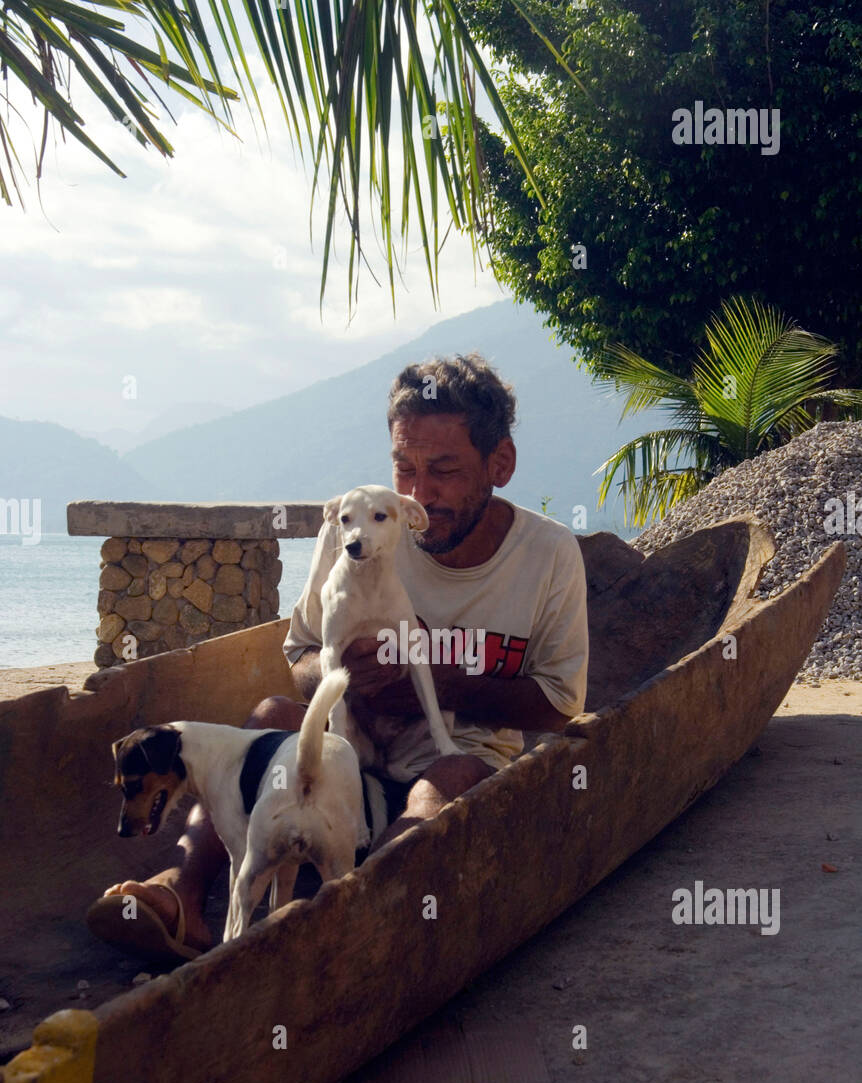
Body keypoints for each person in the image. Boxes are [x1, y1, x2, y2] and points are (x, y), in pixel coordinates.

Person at [87, 352, 589, 961]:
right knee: (270, 716)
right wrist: (345, 678)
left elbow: (561, 706)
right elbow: (301, 657)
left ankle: (345, 915)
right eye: (403, 469)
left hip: (459, 755)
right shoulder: (355, 526)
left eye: (444, 471)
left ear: (500, 464)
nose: (417, 493)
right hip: (345, 746)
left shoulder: (548, 554)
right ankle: (183, 893)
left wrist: (445, 683)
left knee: (445, 781)